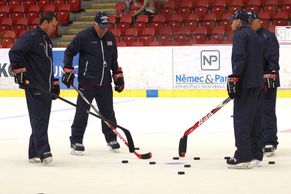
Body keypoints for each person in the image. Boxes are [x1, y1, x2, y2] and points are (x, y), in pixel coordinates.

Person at [62, 11, 125, 156]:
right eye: (101, 27)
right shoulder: (84, 36)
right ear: (94, 24)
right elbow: (69, 52)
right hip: (87, 84)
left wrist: (118, 76)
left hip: (105, 84)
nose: (104, 30)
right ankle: (76, 141)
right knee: (82, 113)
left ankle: (111, 138)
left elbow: (113, 60)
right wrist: (68, 69)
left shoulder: (110, 37)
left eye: (106, 27)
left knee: (108, 113)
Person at [9, 11, 59, 165]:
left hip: (46, 87)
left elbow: (48, 65)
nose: (54, 28)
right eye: (53, 25)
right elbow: (14, 52)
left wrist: (54, 84)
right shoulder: (31, 37)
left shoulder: (47, 41)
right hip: (35, 85)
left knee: (42, 120)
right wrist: (20, 73)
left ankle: (34, 152)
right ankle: (44, 151)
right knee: (39, 119)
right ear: (45, 22)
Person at [226, 10, 264, 169]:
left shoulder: (241, 35)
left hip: (245, 83)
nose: (231, 23)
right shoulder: (255, 36)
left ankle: (243, 157)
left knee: (242, 119)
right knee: (255, 119)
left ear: (239, 21)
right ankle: (255, 155)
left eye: (232, 21)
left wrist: (234, 78)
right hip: (256, 83)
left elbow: (239, 58)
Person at [248, 11, 280, 157]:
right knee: (254, 112)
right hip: (253, 80)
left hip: (267, 79)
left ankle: (270, 141)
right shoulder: (248, 36)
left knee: (267, 110)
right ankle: (258, 140)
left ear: (259, 21)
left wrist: (271, 74)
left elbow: (273, 59)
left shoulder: (268, 37)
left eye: (252, 21)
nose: (250, 24)